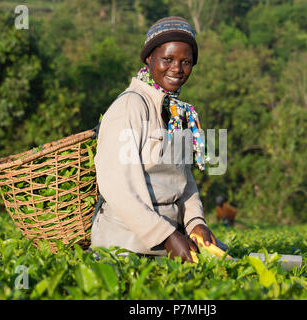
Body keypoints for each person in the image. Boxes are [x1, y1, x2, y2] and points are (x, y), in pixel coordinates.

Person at [91, 16, 217, 263]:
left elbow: (185, 180)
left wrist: (195, 223)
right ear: (149, 58)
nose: (177, 69)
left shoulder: (178, 113)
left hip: (171, 237)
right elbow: (118, 188)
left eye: (186, 62)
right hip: (126, 243)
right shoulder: (130, 106)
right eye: (167, 59)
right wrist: (168, 236)